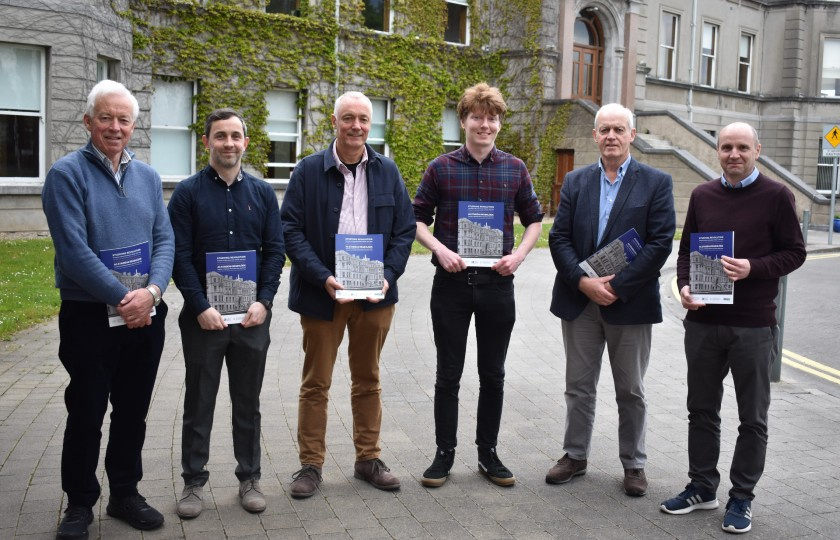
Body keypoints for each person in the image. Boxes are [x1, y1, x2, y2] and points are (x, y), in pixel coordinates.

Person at [41, 80, 174, 539]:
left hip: (145, 315)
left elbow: (165, 240)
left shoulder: (149, 177)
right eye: (106, 118)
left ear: (133, 126)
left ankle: (125, 494)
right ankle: (79, 503)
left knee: (132, 411)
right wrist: (123, 299)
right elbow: (74, 253)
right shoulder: (66, 174)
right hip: (90, 318)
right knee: (87, 411)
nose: (114, 127)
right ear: (88, 122)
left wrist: (153, 293)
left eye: (123, 120)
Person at [660, 122, 806, 534]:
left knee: (752, 417)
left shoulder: (778, 196)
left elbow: (795, 253)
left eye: (742, 147)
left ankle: (741, 496)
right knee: (701, 410)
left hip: (753, 326)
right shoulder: (704, 195)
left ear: (757, 150)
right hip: (704, 323)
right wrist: (684, 287)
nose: (734, 154)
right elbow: (686, 249)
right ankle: (702, 487)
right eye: (726, 147)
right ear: (717, 151)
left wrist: (752, 268)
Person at [280, 91, 416, 498]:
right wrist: (322, 276)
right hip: (324, 295)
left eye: (363, 119)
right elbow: (291, 230)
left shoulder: (388, 171)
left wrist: (389, 275)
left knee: (368, 379)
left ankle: (368, 458)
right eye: (348, 118)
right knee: (316, 383)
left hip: (375, 297)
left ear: (369, 125)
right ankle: (310, 465)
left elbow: (405, 231)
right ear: (335, 123)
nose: (356, 126)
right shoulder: (307, 171)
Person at [412, 82, 544, 488]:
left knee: (493, 373)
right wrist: (439, 249)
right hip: (451, 284)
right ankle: (443, 454)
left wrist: (519, 255)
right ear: (464, 120)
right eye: (477, 117)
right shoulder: (441, 167)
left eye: (492, 118)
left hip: (497, 286)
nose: (484, 125)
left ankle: (488, 453)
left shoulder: (515, 168)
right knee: (447, 374)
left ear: (499, 124)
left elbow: (535, 219)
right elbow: (416, 220)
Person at [546, 102, 675, 497]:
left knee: (631, 389)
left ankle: (634, 464)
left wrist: (617, 286)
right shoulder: (576, 181)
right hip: (580, 301)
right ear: (595, 136)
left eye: (619, 129)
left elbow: (660, 243)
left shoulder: (656, 182)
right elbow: (559, 238)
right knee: (578, 386)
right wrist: (583, 282)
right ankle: (575, 455)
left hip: (630, 303)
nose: (611, 137)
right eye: (605, 130)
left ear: (632, 135)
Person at [168, 109, 285, 518]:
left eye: (236, 136)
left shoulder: (264, 194)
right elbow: (179, 256)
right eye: (220, 136)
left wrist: (264, 301)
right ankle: (193, 483)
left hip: (252, 319)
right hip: (204, 321)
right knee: (199, 401)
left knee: (247, 401)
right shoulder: (186, 194)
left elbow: (275, 252)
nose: (229, 143)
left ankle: (249, 477)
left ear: (246, 143)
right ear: (207, 142)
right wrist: (199, 306)